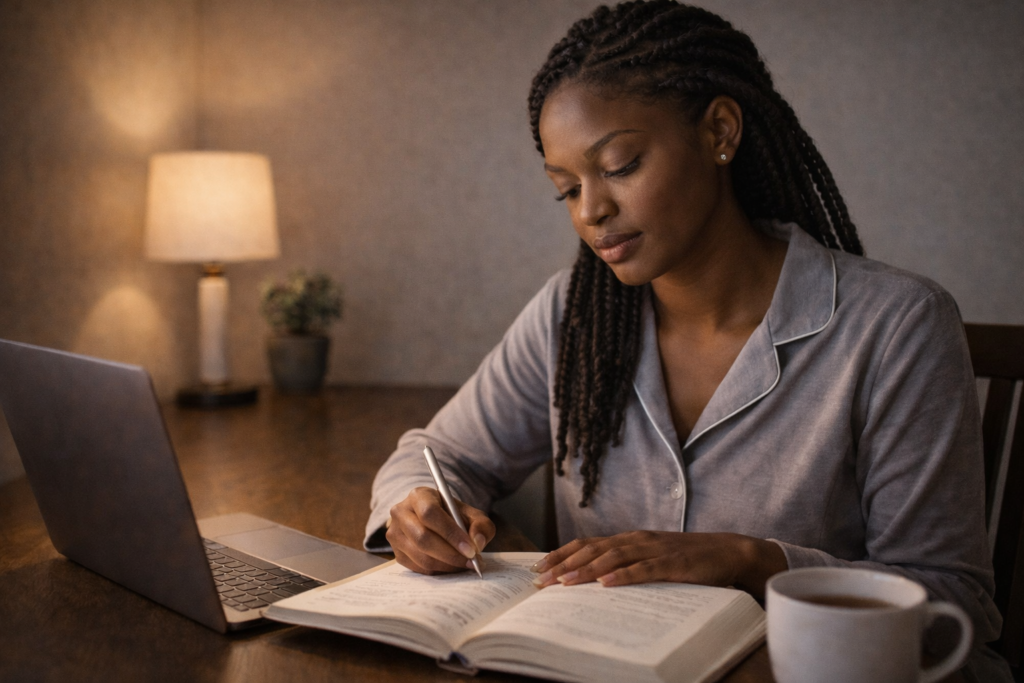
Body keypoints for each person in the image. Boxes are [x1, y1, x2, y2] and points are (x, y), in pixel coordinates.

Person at [364, 2, 1009, 679]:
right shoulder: (570, 317)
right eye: (566, 190)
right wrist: (417, 511)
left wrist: (752, 559)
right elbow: (436, 455)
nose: (591, 211)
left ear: (719, 132)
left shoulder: (897, 326)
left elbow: (953, 607)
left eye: (620, 164)